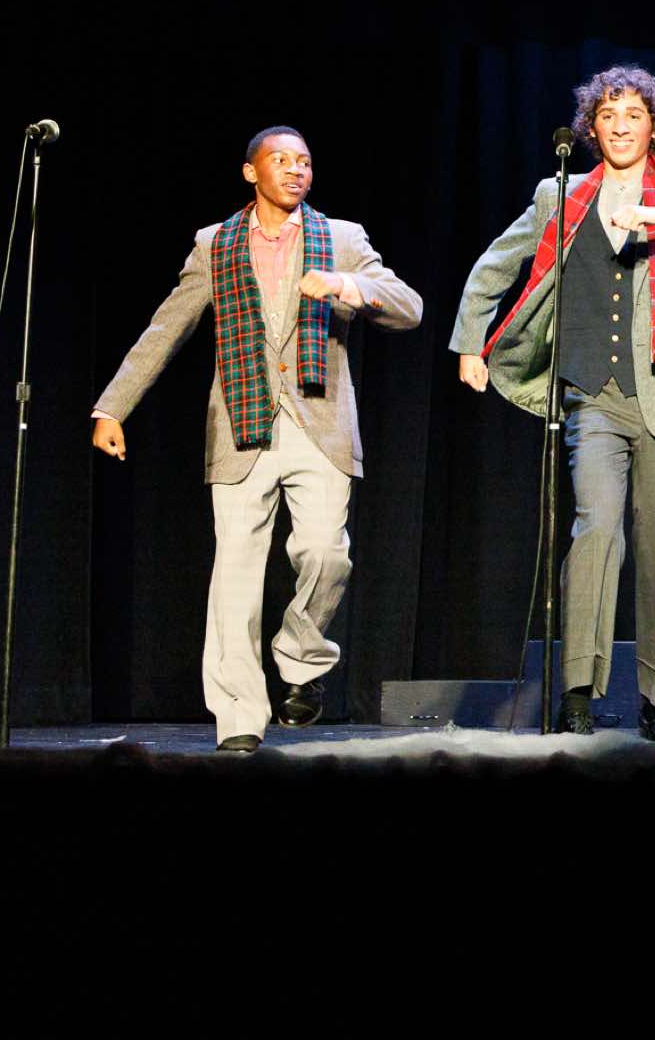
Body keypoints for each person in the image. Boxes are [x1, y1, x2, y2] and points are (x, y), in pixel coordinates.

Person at [450, 65, 655, 739]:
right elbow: (496, 264)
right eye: (608, 115)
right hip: (592, 392)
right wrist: (471, 342)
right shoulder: (560, 194)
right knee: (596, 530)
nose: (621, 126)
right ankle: (577, 692)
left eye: (634, 115)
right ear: (591, 128)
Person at [91, 126, 422, 752]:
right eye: (282, 160)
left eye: (305, 162)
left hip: (320, 425)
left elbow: (409, 307)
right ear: (252, 172)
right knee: (235, 577)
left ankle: (301, 657)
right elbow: (166, 328)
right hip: (241, 427)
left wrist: (347, 286)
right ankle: (238, 718)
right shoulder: (215, 244)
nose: (296, 170)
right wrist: (113, 408)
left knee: (325, 554)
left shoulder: (342, 238)